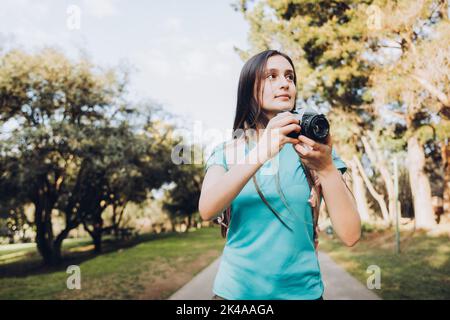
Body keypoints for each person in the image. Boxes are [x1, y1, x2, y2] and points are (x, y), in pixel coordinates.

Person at [198, 50, 361, 300]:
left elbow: (351, 235)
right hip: (235, 295)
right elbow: (207, 209)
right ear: (248, 88)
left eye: (290, 76)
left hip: (304, 294)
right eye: (271, 76)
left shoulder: (314, 152)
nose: (285, 83)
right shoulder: (227, 152)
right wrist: (262, 151)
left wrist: (327, 170)